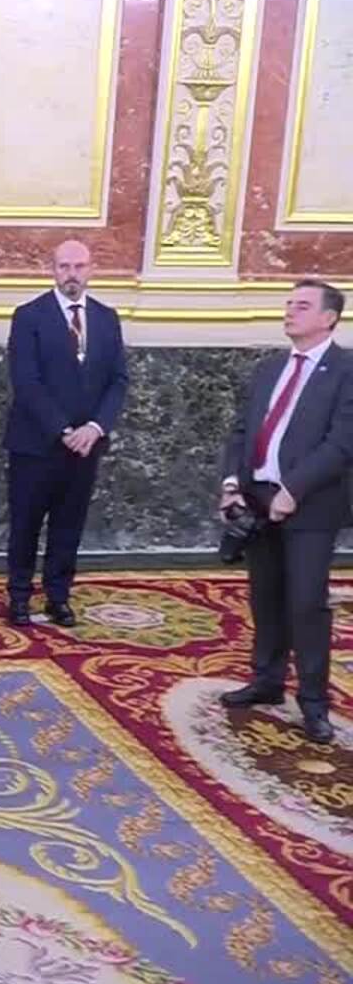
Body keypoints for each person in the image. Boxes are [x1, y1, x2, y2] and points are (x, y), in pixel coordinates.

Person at [218, 280, 353, 745]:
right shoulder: (270, 368)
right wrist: (232, 485)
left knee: (306, 603)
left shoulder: (346, 371)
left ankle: (313, 702)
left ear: (329, 318)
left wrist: (294, 489)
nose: (290, 311)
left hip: (311, 505)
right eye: (289, 303)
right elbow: (241, 431)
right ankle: (267, 680)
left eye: (302, 305)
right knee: (266, 596)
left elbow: (341, 444)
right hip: (257, 500)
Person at [3, 240, 129, 627]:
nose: (71, 274)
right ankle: (19, 596)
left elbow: (118, 380)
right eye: (64, 266)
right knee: (25, 524)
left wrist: (94, 427)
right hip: (35, 444)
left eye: (79, 266)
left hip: (85, 448)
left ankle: (58, 597)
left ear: (91, 269)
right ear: (53, 270)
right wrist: (63, 429)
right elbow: (26, 382)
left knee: (68, 526)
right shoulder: (29, 316)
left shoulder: (107, 318)